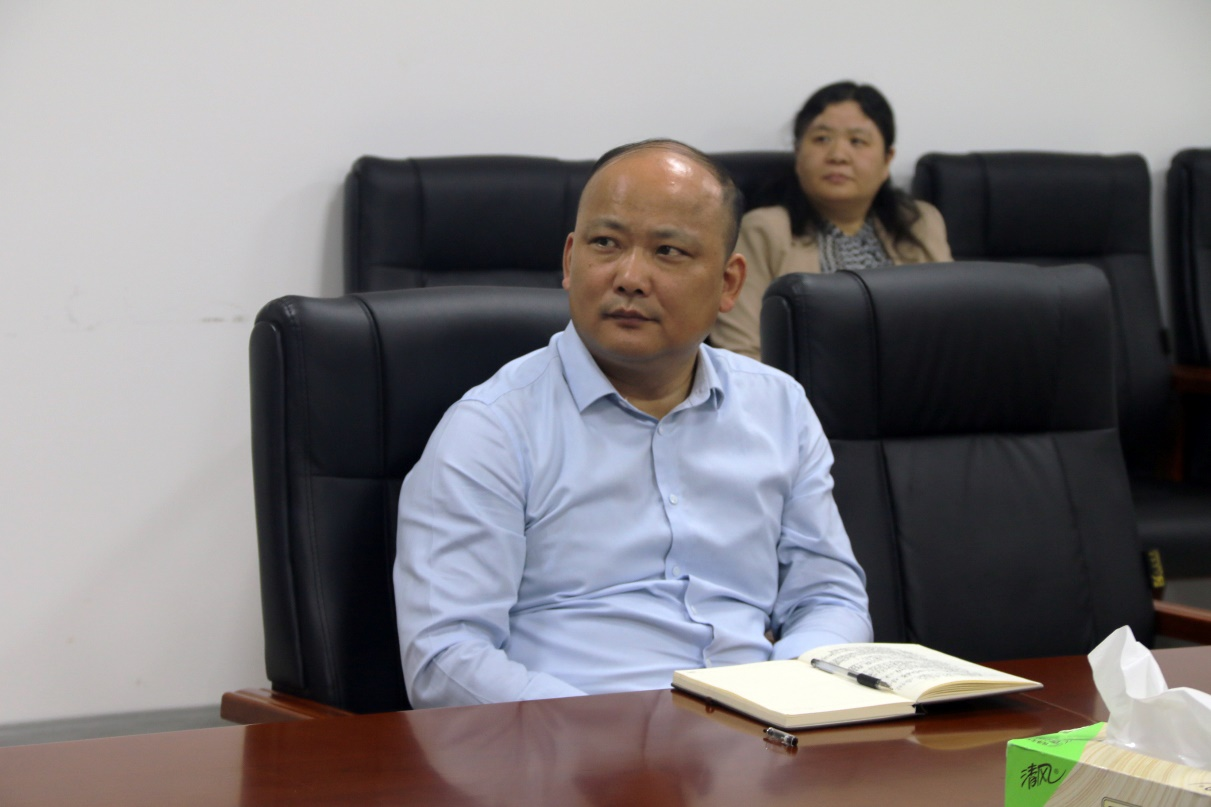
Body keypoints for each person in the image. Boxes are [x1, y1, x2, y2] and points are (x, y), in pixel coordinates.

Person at [394, 139, 872, 709]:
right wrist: (603, 740)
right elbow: (445, 657)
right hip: (572, 744)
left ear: (728, 284)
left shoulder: (778, 407)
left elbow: (829, 597)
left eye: (668, 251)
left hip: (759, 738)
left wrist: (790, 694)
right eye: (606, 244)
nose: (630, 277)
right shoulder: (492, 429)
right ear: (570, 261)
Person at [712, 81, 953, 359]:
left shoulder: (921, 224)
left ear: (887, 160)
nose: (838, 155)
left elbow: (954, 328)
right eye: (822, 139)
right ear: (798, 153)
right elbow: (740, 352)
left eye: (857, 141)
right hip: (798, 386)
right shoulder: (763, 231)